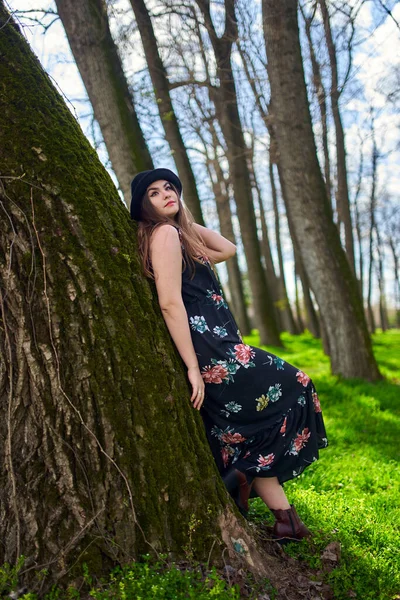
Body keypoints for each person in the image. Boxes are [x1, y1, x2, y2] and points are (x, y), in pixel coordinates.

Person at [130, 168, 328, 542]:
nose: (167, 194)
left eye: (170, 188)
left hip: (220, 344)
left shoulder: (177, 234)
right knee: (297, 385)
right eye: (154, 193)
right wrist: (192, 367)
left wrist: (183, 216)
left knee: (247, 434)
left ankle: (286, 521)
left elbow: (227, 248)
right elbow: (170, 304)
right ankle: (240, 476)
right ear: (144, 206)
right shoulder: (165, 235)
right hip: (212, 352)